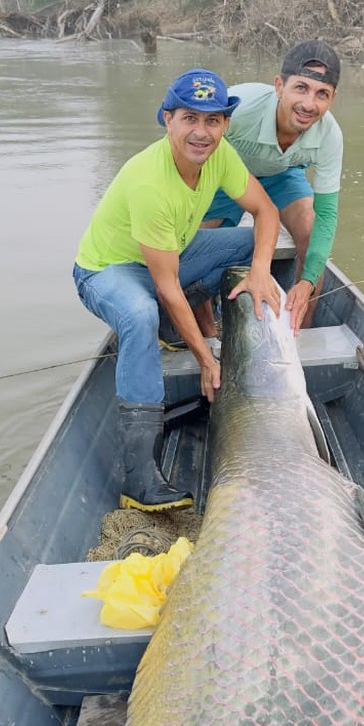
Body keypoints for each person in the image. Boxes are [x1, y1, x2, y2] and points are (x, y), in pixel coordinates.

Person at [73, 68, 283, 512]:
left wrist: (261, 271)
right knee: (141, 316)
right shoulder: (151, 182)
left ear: (226, 125)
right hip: (108, 271)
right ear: (167, 119)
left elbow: (265, 211)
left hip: (169, 258)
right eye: (190, 118)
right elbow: (166, 286)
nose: (201, 132)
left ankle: (178, 323)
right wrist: (207, 360)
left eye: (212, 120)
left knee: (249, 244)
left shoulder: (220, 154)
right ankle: (139, 478)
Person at [202, 39, 343, 330]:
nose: (308, 104)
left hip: (282, 173)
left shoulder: (330, 135)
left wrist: (306, 281)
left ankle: (300, 333)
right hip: (225, 175)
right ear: (279, 86)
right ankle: (209, 333)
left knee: (310, 229)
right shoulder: (237, 107)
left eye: (321, 94)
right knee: (195, 246)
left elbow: (327, 215)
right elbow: (185, 144)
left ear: (332, 99)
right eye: (300, 88)